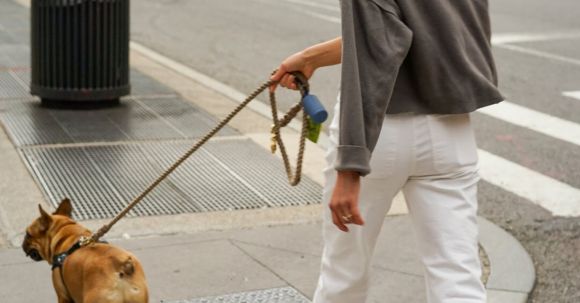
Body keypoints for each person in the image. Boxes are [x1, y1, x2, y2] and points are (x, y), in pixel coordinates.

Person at [270, 0, 504, 302]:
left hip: (379, 132)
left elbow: (377, 50)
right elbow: (419, 32)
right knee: (457, 276)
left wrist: (350, 166)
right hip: (450, 130)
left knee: (343, 275)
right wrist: (312, 57)